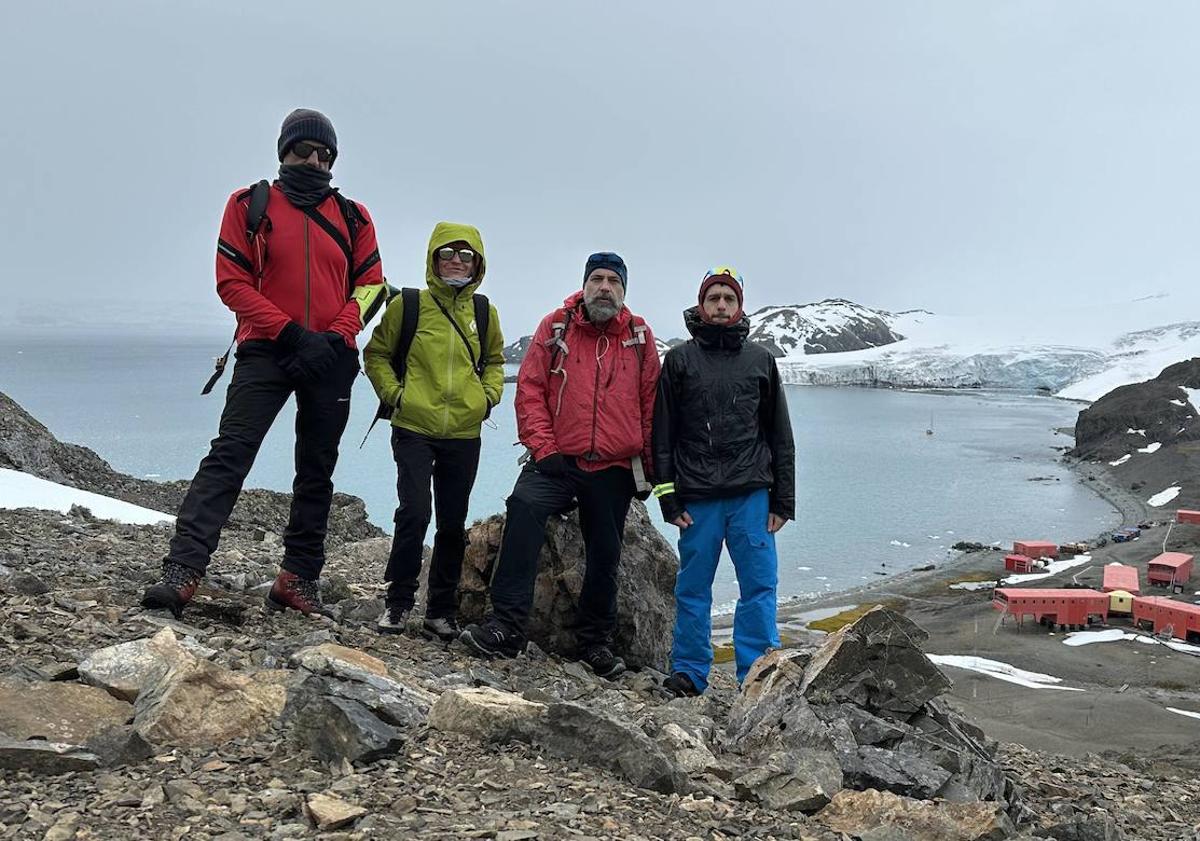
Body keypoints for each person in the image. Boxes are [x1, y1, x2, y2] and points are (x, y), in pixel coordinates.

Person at [141, 108, 386, 618]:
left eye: (326, 154)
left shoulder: (355, 216)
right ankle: (183, 568)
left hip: (331, 356)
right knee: (231, 454)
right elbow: (231, 283)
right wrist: (294, 334)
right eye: (305, 151)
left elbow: (371, 286)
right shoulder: (248, 205)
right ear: (284, 152)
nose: (316, 161)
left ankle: (298, 579)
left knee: (316, 468)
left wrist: (334, 336)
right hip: (266, 350)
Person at [459, 253, 660, 678]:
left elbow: (651, 404)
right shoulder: (555, 327)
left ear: (624, 291)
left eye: (613, 282)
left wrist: (648, 466)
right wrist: (542, 447)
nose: (605, 287)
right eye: (597, 279)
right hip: (556, 458)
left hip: (612, 465)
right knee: (524, 508)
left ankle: (596, 643)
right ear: (584, 285)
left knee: (605, 550)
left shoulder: (640, 337)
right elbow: (530, 388)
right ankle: (505, 627)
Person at [651, 267, 795, 696]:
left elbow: (779, 433)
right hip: (697, 498)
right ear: (701, 305)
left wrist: (782, 501)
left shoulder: (760, 360)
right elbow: (662, 434)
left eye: (728, 299)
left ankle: (757, 674)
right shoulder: (679, 361)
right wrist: (668, 499)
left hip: (751, 494)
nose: (720, 305)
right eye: (713, 298)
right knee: (693, 588)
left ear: (739, 307)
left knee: (760, 586)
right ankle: (690, 672)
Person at [363, 223, 505, 640]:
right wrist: (396, 395)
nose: (457, 260)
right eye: (448, 253)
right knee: (414, 512)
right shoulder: (408, 305)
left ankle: (440, 610)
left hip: (463, 431)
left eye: (466, 254)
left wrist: (487, 397)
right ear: (433, 258)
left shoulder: (484, 312)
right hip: (414, 426)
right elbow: (376, 355)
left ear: (478, 263)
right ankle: (398, 603)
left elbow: (495, 361)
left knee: (451, 522)